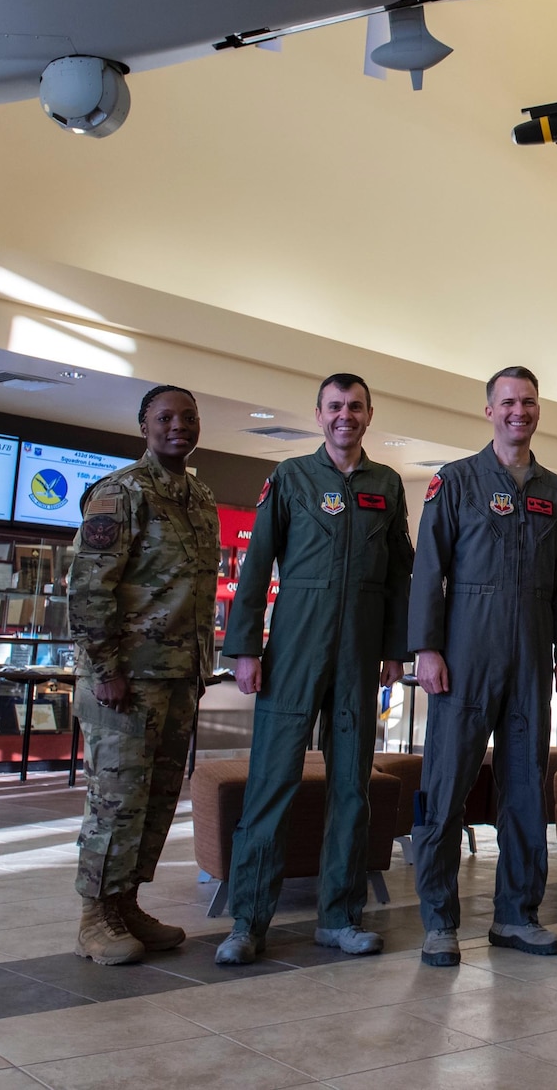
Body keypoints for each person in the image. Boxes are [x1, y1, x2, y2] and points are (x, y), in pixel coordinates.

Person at [214, 373, 414, 964]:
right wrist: (245, 648)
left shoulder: (387, 484)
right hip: (295, 651)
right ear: (319, 414)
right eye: (335, 407)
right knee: (271, 786)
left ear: (369, 414)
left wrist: (395, 649)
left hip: (358, 656)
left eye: (355, 406)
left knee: (352, 791)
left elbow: (401, 573)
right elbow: (255, 569)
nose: (344, 416)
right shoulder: (291, 478)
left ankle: (340, 918)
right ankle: (247, 923)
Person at [407, 366, 557, 967]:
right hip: (465, 651)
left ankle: (518, 915)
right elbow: (429, 570)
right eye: (508, 401)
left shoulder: (556, 491)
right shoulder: (455, 482)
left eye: (528, 402)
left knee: (525, 790)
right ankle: (438, 921)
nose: (519, 411)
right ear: (489, 411)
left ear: (539, 410)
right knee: (446, 786)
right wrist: (426, 649)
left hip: (532, 652)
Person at [69, 385, 218, 965]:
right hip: (124, 681)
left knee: (154, 799)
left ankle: (126, 904)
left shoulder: (198, 496)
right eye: (165, 417)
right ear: (143, 426)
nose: (178, 425)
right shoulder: (119, 493)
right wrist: (106, 670)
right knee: (115, 798)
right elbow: (87, 591)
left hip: (178, 677)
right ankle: (93, 915)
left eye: (188, 417)